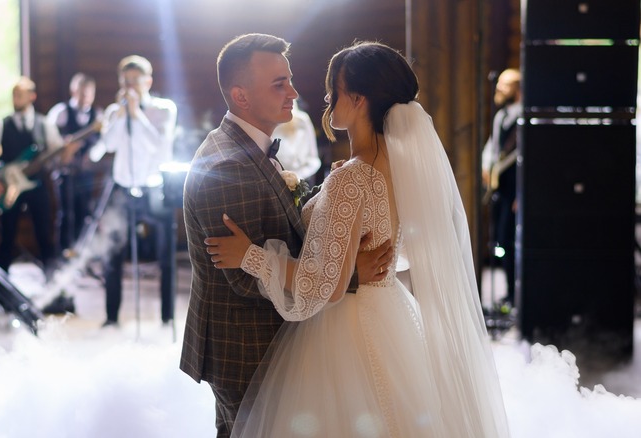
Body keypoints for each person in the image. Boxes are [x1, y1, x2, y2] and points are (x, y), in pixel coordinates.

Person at [206, 41, 510, 437]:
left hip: (347, 331)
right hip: (390, 311)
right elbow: (396, 255)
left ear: (359, 99)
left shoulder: (352, 177)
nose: (327, 97)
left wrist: (249, 255)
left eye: (335, 88)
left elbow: (325, 287)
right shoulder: (396, 169)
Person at [179, 34, 392, 438]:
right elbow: (244, 277)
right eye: (279, 83)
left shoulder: (252, 146)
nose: (294, 91)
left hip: (272, 340)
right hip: (246, 347)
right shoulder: (228, 165)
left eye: (289, 79)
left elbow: (284, 223)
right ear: (240, 96)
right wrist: (349, 274)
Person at [89, 55, 178, 326]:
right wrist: (119, 116)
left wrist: (137, 113)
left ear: (147, 81)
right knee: (112, 254)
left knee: (166, 256)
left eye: (135, 81)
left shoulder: (164, 110)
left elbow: (159, 146)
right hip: (122, 189)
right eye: (125, 81)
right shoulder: (115, 111)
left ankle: (167, 317)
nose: (129, 87)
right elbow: (108, 145)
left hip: (155, 189)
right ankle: (112, 316)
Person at [0, 76, 72, 274]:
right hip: (9, 187)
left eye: (20, 95)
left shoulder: (44, 125)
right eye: (14, 95)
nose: (16, 99)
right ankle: (1, 283)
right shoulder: (2, 125)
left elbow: (57, 155)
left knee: (44, 233)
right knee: (7, 235)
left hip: (36, 185)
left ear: (32, 96)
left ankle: (52, 282)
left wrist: (66, 151)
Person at [47, 72, 104, 256]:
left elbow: (103, 142)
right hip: (64, 172)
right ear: (74, 91)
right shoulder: (60, 112)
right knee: (66, 214)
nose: (86, 97)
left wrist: (92, 155)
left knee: (84, 212)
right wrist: (64, 150)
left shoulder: (98, 115)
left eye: (89, 93)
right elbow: (48, 141)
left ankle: (80, 254)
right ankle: (62, 254)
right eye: (82, 92)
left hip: (86, 174)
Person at [482, 68, 522, 310]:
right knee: (501, 241)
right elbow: (494, 148)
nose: (498, 90)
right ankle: (508, 292)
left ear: (517, 89)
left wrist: (521, 194)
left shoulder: (522, 119)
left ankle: (516, 294)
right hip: (501, 188)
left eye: (504, 86)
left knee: (511, 240)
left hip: (515, 190)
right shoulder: (501, 116)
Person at [270, 99, 322, 183]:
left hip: (302, 181)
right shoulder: (268, 123)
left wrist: (297, 177)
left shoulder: (302, 120)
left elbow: (314, 160)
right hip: (276, 182)